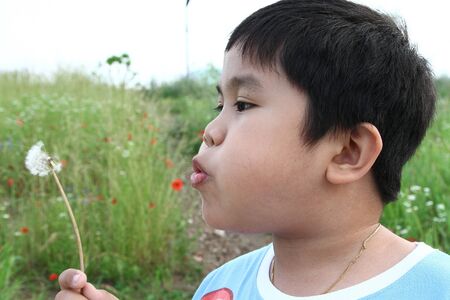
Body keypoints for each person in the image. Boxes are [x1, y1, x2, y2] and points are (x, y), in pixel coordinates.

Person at [55, 0, 450, 299]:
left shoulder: (436, 287)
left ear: (347, 151)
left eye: (243, 104)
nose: (210, 131)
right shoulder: (221, 285)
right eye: (219, 106)